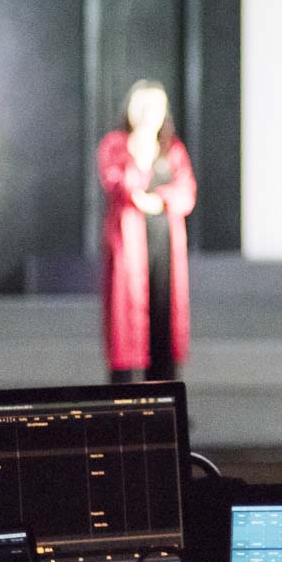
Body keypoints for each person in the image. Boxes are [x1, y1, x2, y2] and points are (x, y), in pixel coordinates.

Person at [97, 80, 196, 383]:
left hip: (163, 239)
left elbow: (187, 192)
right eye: (142, 107)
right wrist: (139, 152)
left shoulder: (173, 148)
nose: (148, 114)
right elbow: (118, 184)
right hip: (129, 243)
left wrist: (159, 200)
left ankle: (165, 393)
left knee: (164, 314)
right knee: (127, 316)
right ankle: (122, 396)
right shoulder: (115, 145)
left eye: (155, 107)